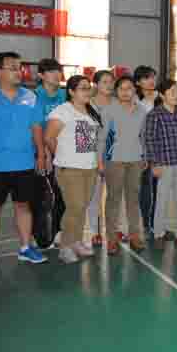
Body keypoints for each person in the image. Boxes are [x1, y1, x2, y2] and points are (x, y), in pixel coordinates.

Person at [0, 52, 48, 268]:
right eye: (13, 68)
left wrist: (41, 155)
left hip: (24, 162)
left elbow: (36, 128)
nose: (19, 72)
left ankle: (25, 248)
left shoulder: (30, 96)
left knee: (23, 206)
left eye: (20, 67)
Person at [45, 75, 102, 264]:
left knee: (82, 207)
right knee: (74, 207)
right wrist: (63, 157)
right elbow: (49, 138)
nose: (88, 91)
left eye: (89, 87)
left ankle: (76, 241)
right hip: (69, 169)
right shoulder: (62, 111)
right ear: (71, 91)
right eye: (83, 88)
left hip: (90, 168)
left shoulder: (92, 110)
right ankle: (65, 246)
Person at [143, 79, 177, 249]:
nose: (176, 95)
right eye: (172, 92)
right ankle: (159, 233)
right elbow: (149, 140)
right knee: (162, 200)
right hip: (164, 164)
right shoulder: (154, 115)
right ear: (162, 94)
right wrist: (154, 163)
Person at [98, 75, 147, 255]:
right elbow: (102, 138)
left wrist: (145, 156)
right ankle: (112, 240)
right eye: (122, 89)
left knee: (133, 200)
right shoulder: (108, 110)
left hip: (136, 160)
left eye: (129, 88)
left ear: (134, 90)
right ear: (116, 91)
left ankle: (135, 236)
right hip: (114, 161)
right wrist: (99, 161)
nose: (126, 92)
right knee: (113, 200)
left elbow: (143, 136)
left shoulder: (141, 110)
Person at [34, 58, 67, 246]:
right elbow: (36, 127)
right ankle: (41, 236)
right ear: (41, 75)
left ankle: (58, 232)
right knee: (41, 196)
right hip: (40, 151)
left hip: (63, 151)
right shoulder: (34, 96)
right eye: (51, 71)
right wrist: (44, 153)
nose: (56, 74)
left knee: (62, 194)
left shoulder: (65, 94)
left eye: (58, 71)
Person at [88, 69, 115, 247]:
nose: (109, 85)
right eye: (105, 82)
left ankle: (115, 229)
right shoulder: (87, 105)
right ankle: (94, 231)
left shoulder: (118, 103)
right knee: (94, 196)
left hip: (114, 155)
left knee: (115, 195)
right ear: (96, 84)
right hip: (93, 156)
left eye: (111, 82)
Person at [134, 65, 158, 238]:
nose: (151, 81)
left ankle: (157, 222)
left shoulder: (161, 97)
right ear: (138, 82)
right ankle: (144, 223)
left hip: (160, 149)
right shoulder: (134, 100)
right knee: (145, 187)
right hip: (141, 150)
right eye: (146, 78)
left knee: (160, 187)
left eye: (153, 77)